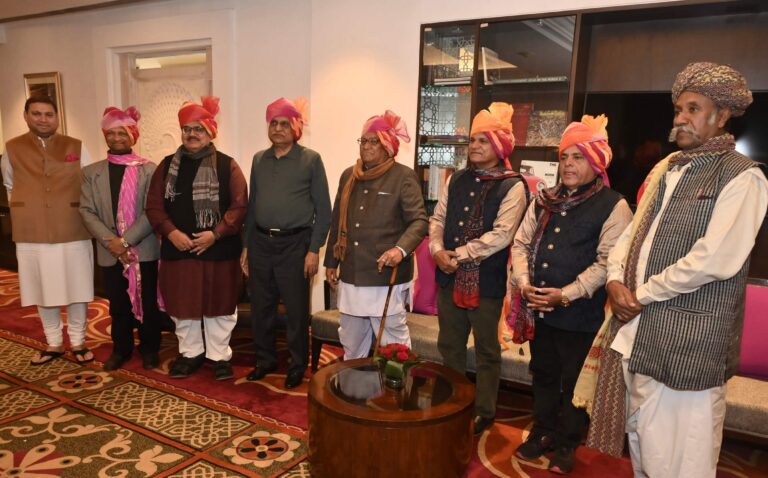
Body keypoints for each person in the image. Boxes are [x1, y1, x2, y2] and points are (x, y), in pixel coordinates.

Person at [589, 62, 768, 478]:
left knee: (681, 462)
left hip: (690, 348)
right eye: (677, 109)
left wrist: (640, 294)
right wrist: (615, 279)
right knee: (643, 447)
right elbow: (630, 237)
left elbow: (714, 258)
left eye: (692, 109)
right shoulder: (670, 169)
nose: (679, 119)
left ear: (721, 116)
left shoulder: (744, 178)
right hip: (638, 335)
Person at [510, 115, 633, 474]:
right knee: (543, 373)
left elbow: (607, 263)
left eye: (578, 157)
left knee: (574, 383)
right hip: (539, 310)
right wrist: (523, 282)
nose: (568, 165)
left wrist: (564, 295)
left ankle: (566, 444)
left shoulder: (615, 205)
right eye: (565, 157)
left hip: (581, 316)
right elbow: (520, 243)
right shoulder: (544, 200)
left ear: (596, 163)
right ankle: (542, 431)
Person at [429, 102, 528, 435]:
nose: (474, 146)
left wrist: (457, 254)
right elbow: (438, 218)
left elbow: (501, 236)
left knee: (486, 350)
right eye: (472, 140)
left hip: (484, 284)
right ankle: (452, 403)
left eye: (483, 141)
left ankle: (484, 411)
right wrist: (437, 249)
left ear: (499, 146)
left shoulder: (513, 186)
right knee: (450, 345)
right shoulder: (456, 178)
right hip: (447, 277)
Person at [146, 96, 247, 381]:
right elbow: (153, 206)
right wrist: (171, 232)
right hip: (178, 251)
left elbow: (239, 206)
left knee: (220, 306)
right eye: (187, 129)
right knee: (183, 306)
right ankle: (190, 353)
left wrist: (215, 235)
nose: (192, 134)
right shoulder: (166, 167)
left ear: (211, 132)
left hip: (219, 250)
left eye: (198, 129)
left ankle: (219, 356)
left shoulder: (228, 166)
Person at [243, 97, 332, 389]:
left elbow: (324, 210)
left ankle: (297, 364)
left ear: (296, 129)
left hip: (296, 245)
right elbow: (252, 204)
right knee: (261, 308)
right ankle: (265, 360)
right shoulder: (259, 159)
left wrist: (313, 249)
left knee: (295, 310)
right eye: (273, 123)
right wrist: (246, 245)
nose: (278, 129)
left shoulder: (311, 159)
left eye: (284, 124)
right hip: (260, 243)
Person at [324, 110, 428, 359]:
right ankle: (355, 390)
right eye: (364, 141)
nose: (367, 146)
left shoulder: (403, 176)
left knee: (393, 345)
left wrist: (399, 250)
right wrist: (331, 262)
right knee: (351, 338)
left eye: (374, 141)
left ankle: (394, 394)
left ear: (388, 146)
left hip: (385, 274)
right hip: (351, 271)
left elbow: (419, 221)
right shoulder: (348, 175)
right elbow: (337, 219)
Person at [1, 97, 95, 365]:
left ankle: (78, 341)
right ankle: (53, 342)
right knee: (43, 288)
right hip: (32, 232)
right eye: (37, 113)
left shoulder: (75, 146)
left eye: (49, 114)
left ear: (57, 117)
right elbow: (10, 183)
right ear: (26, 116)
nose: (43, 119)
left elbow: (88, 182)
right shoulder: (12, 148)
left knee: (77, 287)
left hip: (72, 227)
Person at [80, 106, 162, 371]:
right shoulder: (91, 173)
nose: (116, 138)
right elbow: (86, 210)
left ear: (133, 135)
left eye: (122, 132)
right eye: (111, 133)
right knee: (117, 305)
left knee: (147, 302)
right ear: (105, 136)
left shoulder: (149, 170)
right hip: (109, 252)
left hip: (143, 249)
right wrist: (112, 243)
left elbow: (153, 210)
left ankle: (150, 349)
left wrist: (125, 241)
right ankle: (121, 348)